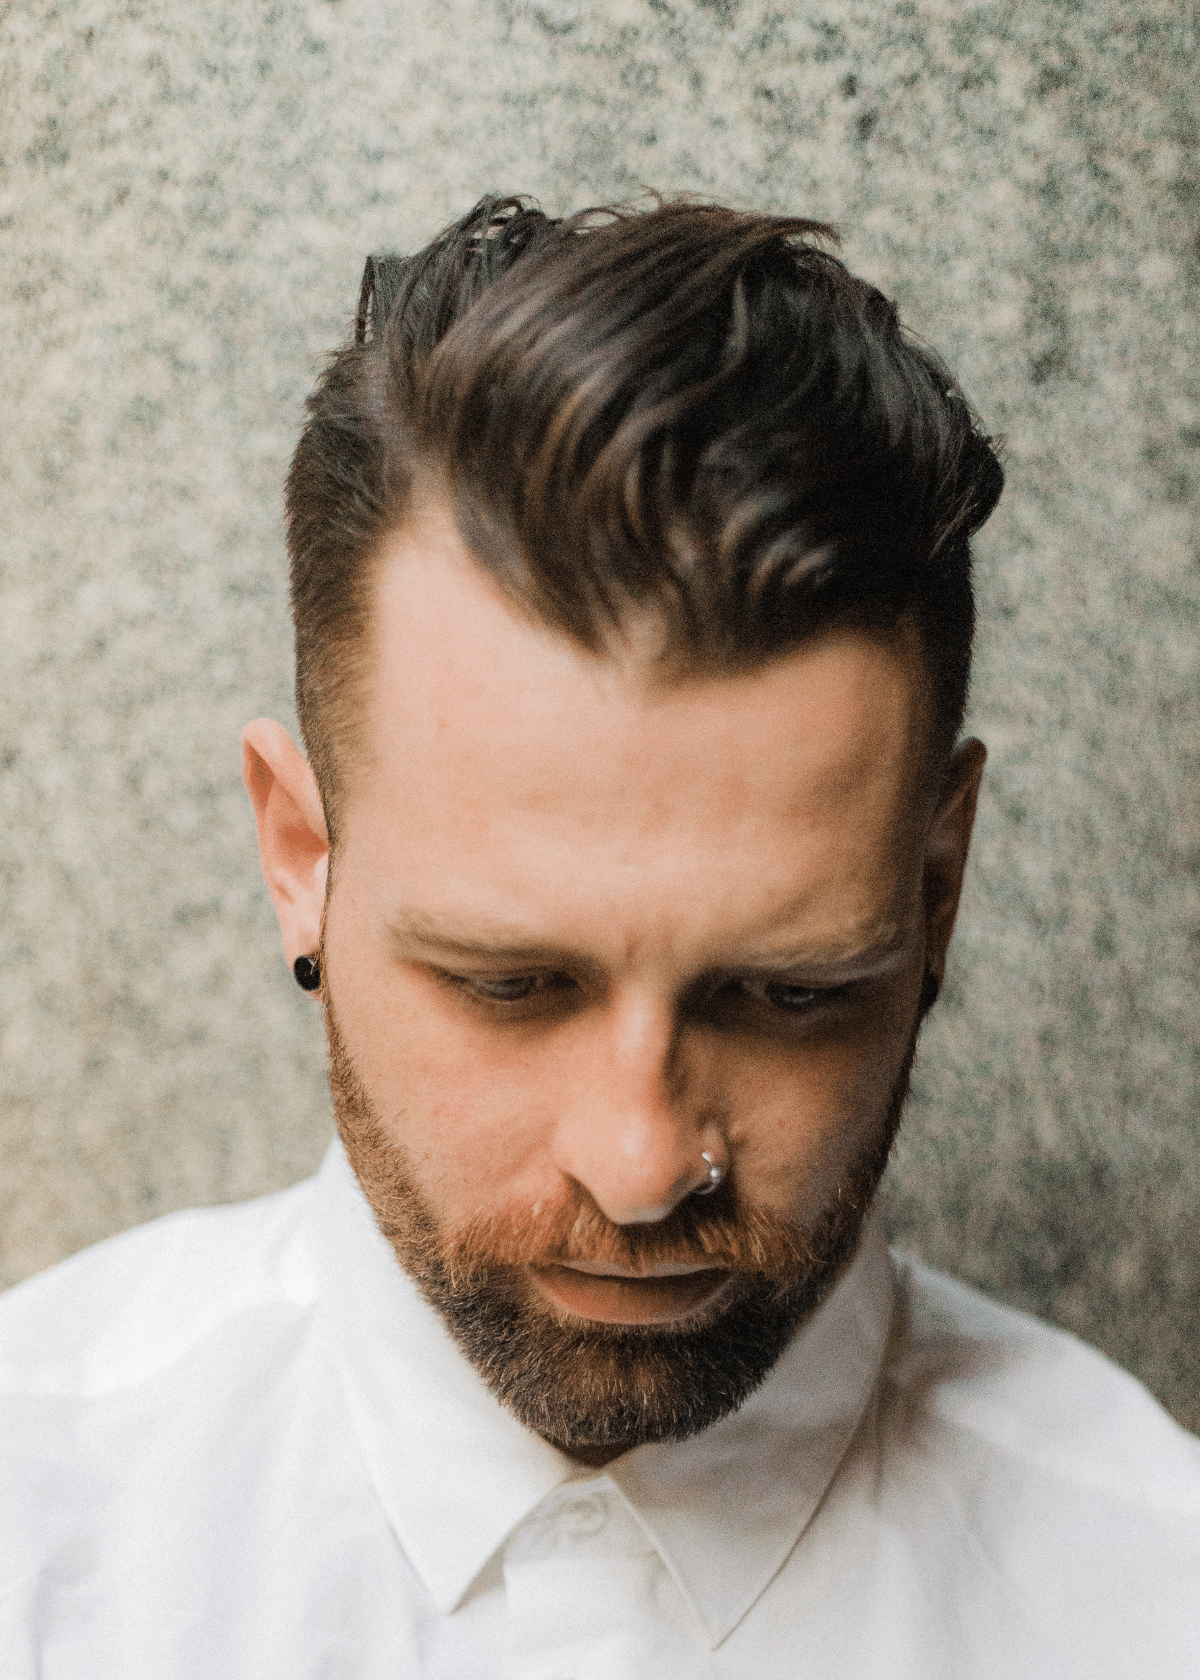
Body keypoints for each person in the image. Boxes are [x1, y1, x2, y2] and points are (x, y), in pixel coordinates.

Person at [1, 195, 1196, 1677]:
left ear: (936, 887)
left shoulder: (1156, 1598)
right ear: (301, 855)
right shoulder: (30, 1532)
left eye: (789, 992)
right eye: (511, 984)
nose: (641, 1169)